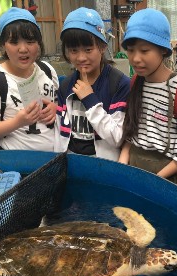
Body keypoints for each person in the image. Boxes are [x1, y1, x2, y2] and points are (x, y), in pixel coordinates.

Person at [118, 8, 177, 189]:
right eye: (131, 50)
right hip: (134, 169)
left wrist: (153, 181)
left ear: (163, 50)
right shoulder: (135, 85)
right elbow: (130, 134)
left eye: (144, 50)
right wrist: (122, 166)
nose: (136, 58)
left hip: (167, 177)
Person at [0, 7, 58, 151]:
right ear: (3, 46)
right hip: (19, 166)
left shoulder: (47, 71)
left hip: (55, 161)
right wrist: (18, 122)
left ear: (39, 43)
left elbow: (58, 105)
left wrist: (57, 109)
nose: (23, 49)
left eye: (30, 41)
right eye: (14, 42)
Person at [55, 7, 130, 161]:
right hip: (72, 164)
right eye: (74, 50)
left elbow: (118, 138)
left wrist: (90, 99)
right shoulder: (65, 86)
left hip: (104, 166)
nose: (81, 58)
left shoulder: (119, 84)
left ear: (102, 47)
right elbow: (60, 134)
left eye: (88, 49)